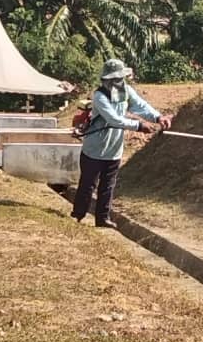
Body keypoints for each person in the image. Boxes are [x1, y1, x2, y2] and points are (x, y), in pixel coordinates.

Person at [71, 58, 172, 229]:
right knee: (88, 184)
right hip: (94, 149)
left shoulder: (125, 91)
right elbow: (114, 119)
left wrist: (157, 117)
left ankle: (103, 218)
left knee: (108, 185)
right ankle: (78, 215)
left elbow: (140, 105)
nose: (118, 82)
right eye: (114, 79)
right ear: (106, 80)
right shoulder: (99, 96)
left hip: (114, 149)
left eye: (120, 79)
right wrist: (139, 125)